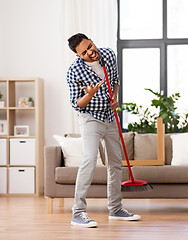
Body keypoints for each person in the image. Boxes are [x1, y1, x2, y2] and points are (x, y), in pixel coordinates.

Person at [66, 33, 141, 228]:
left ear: (92, 41)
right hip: (90, 117)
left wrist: (115, 97)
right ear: (78, 56)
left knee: (116, 163)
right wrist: (89, 94)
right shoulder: (74, 71)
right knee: (89, 159)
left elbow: (115, 80)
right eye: (85, 52)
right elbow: (77, 105)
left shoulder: (108, 55)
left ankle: (115, 209)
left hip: (110, 115)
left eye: (90, 46)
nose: (91, 52)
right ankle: (78, 212)